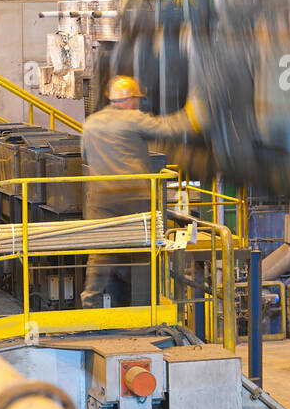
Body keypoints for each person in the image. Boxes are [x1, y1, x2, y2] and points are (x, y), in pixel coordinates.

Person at [80, 75, 202, 308]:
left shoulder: (92, 123)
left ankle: (91, 302)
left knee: (101, 253)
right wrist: (195, 113)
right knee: (144, 251)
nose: (138, 104)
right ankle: (145, 306)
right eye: (136, 99)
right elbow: (169, 129)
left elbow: (85, 156)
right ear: (129, 99)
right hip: (134, 197)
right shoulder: (132, 119)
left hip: (101, 199)